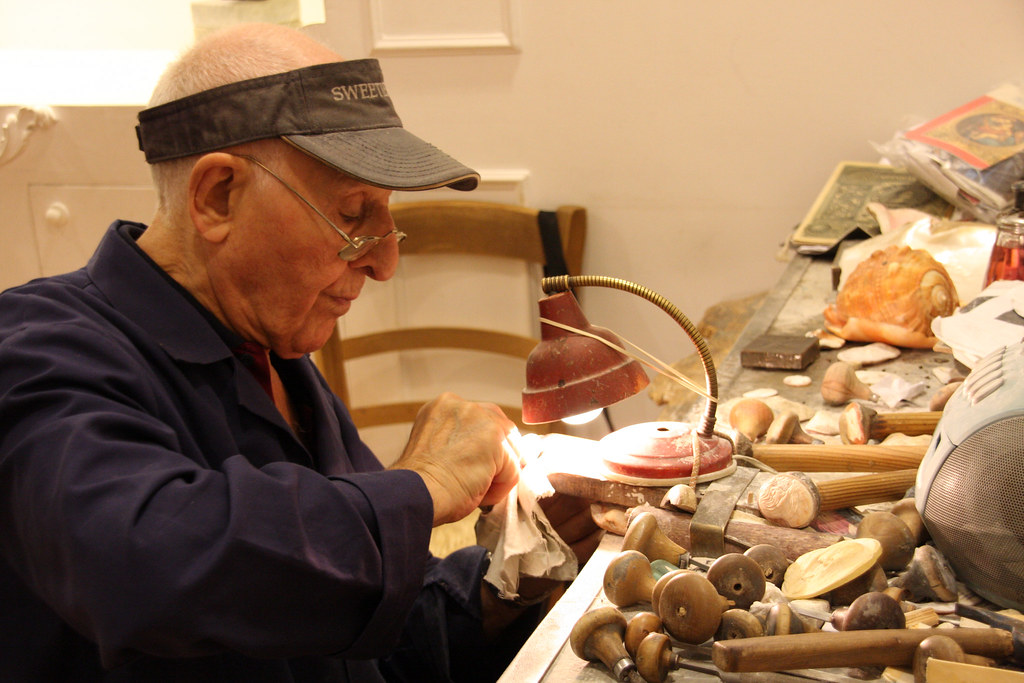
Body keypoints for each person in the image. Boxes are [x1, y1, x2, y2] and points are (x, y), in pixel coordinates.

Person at [0, 23, 602, 682]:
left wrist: (515, 573)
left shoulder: (276, 355)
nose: (387, 262)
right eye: (352, 215)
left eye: (386, 215)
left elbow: (360, 629)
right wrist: (421, 484)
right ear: (217, 196)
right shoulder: (37, 351)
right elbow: (145, 564)